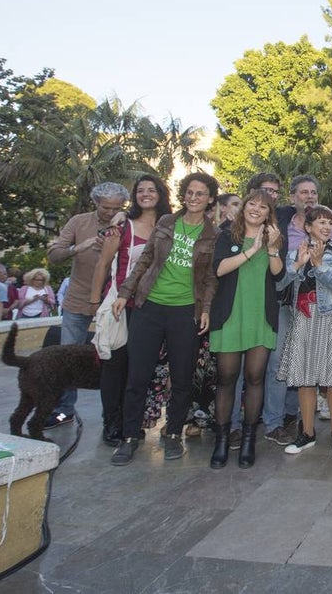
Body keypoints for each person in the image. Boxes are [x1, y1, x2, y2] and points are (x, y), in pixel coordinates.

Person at [109, 172, 219, 465]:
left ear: (210, 199)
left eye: (200, 193)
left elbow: (210, 278)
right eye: (190, 192)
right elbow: (145, 260)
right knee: (138, 376)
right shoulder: (167, 223)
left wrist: (205, 309)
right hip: (150, 306)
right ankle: (130, 436)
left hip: (186, 311)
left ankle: (173, 434)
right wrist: (124, 292)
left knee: (182, 377)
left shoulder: (213, 235)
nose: (194, 198)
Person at [90, 175, 173, 447]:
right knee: (115, 367)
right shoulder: (123, 226)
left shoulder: (171, 226)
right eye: (140, 190)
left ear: (161, 194)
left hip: (155, 306)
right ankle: (111, 423)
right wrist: (94, 305)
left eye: (151, 190)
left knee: (140, 370)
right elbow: (103, 265)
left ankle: (131, 422)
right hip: (121, 305)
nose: (145, 194)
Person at [209, 190, 286, 468]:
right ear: (243, 208)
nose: (256, 209)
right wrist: (252, 250)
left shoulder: (275, 237)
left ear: (269, 213)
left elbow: (278, 274)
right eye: (251, 204)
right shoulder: (227, 234)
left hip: (260, 316)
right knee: (227, 377)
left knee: (255, 377)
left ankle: (250, 440)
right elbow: (218, 269)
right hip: (230, 315)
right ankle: (221, 440)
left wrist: (272, 248)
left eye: (263, 207)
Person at [47, 181, 131, 427]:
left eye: (116, 207)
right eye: (106, 207)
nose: (110, 212)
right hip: (78, 299)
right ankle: (64, 409)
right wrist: (77, 248)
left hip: (115, 302)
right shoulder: (78, 222)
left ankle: (116, 411)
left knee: (116, 357)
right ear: (96, 203)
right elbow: (53, 255)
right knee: (68, 355)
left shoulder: (127, 224)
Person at [275, 205, 332, 456]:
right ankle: (307, 433)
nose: (326, 227)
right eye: (320, 222)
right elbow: (281, 283)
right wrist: (298, 263)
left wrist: (319, 265)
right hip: (303, 319)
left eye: (329, 223)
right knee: (304, 378)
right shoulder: (296, 252)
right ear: (308, 227)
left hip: (330, 317)